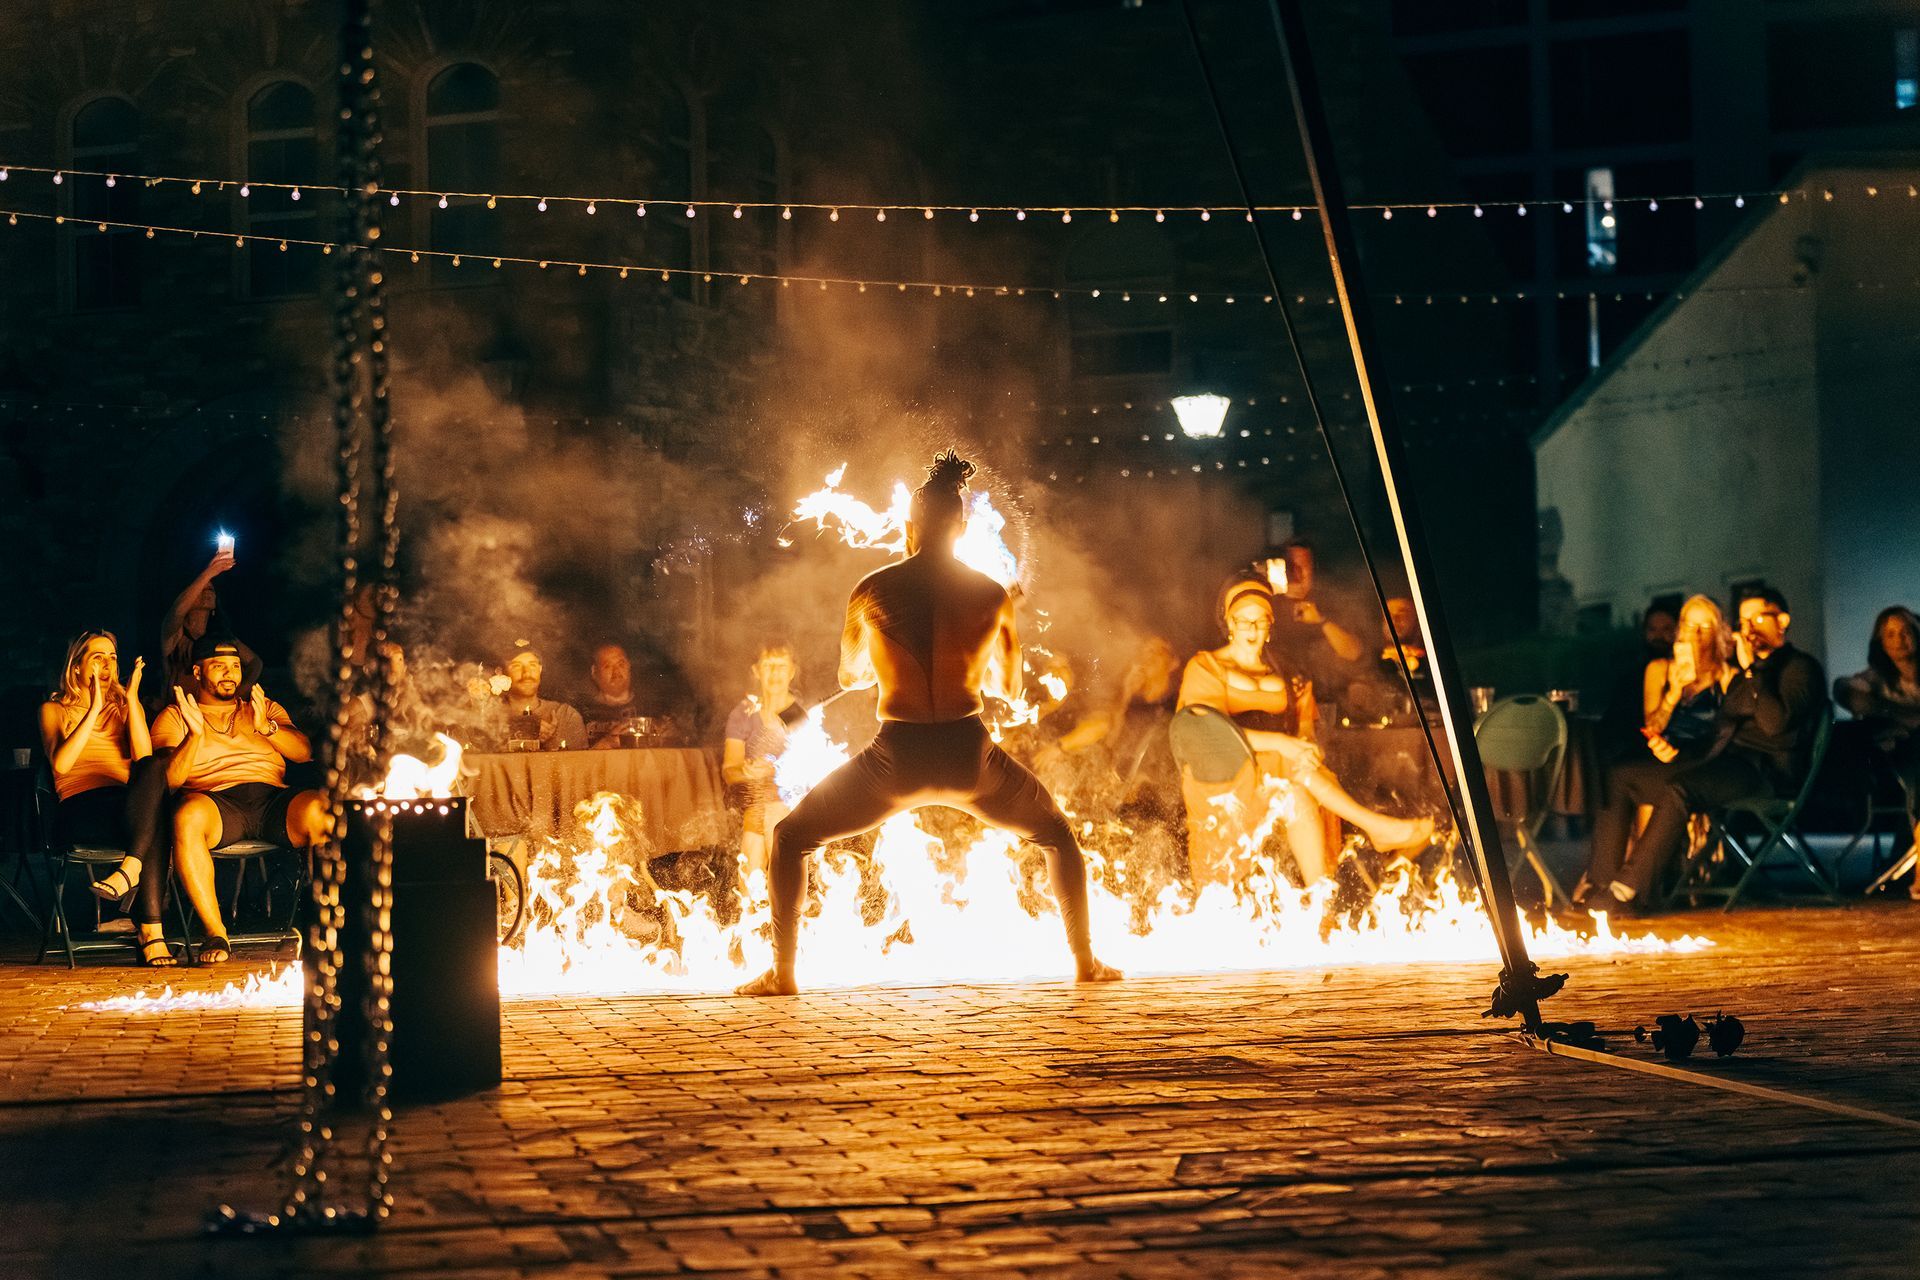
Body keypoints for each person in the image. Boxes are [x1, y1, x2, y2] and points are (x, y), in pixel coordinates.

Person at [736, 450, 1120, 996]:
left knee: (792, 837)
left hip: (897, 758)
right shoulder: (991, 595)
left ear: (908, 525)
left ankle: (784, 973)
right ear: (961, 527)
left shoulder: (872, 590)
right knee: (1057, 835)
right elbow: (1006, 690)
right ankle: (1085, 963)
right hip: (971, 758)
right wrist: (992, 628)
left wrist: (888, 659)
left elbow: (851, 673)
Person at [1581, 586, 1827, 912]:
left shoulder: (1799, 668)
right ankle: (1600, 885)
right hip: (1722, 762)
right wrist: (1678, 752)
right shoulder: (1747, 674)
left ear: (1781, 621)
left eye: (1758, 619)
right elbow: (1721, 728)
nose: (1749, 629)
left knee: (1680, 789)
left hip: (1765, 772)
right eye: (1744, 621)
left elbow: (1774, 725)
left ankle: (1627, 890)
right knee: (1620, 776)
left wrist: (1752, 670)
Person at [1177, 580, 1434, 889]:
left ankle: (1320, 905)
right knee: (1285, 766)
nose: (1252, 628)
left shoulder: (1284, 671)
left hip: (1275, 777)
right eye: (1244, 620)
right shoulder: (1206, 666)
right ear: (1230, 623)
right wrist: (1285, 745)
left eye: (1260, 620)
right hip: (1220, 775)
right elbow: (1208, 733)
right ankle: (1374, 825)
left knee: (1298, 793)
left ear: (1270, 626)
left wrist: (1307, 748)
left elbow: (1303, 727)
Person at [149, 636, 332, 964]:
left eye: (234, 667)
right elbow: (169, 781)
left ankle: (328, 924)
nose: (229, 674)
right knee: (186, 816)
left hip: (271, 798)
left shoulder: (264, 708)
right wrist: (194, 736)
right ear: (197, 671)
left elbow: (304, 753)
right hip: (215, 801)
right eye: (219, 666)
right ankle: (215, 932)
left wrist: (267, 728)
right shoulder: (175, 716)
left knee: (324, 812)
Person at [38, 631, 175, 966]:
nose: (108, 664)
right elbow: (61, 763)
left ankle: (130, 869)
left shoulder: (122, 707)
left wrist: (132, 702)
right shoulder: (54, 710)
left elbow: (145, 762)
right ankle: (152, 935)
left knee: (156, 767)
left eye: (113, 657)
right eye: (97, 656)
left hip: (126, 807)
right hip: (81, 807)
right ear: (75, 668)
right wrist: (94, 707)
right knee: (156, 820)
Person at [1834, 606, 1920, 893]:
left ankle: (1905, 860)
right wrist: (1895, 713)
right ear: (1880, 642)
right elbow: (1843, 690)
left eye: (1906, 631)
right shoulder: (1876, 680)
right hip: (1896, 759)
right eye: (1891, 634)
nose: (1900, 639)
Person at [723, 643, 801, 879]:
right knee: (760, 814)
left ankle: (781, 897)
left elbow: (809, 775)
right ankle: (752, 902)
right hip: (753, 804)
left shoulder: (801, 715)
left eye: (781, 666)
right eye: (768, 665)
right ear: (756, 671)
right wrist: (748, 773)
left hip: (792, 805)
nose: (775, 673)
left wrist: (776, 772)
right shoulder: (744, 714)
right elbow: (729, 770)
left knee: (773, 814)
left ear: (792, 672)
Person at [1640, 594, 1735, 763]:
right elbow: (1652, 728)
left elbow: (1728, 731)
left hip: (1704, 758)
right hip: (1664, 756)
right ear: (1681, 628)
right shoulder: (1659, 669)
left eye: (1705, 627)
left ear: (1716, 631)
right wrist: (1673, 693)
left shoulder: (1725, 674)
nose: (1697, 633)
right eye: (1690, 625)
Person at [1264, 539, 1364, 699]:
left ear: (1313, 569)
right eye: (1290, 566)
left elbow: (1353, 652)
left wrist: (1321, 621)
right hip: (1282, 697)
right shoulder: (1267, 605)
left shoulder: (1331, 602)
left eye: (1303, 565)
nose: (1297, 573)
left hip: (1329, 700)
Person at [160, 545, 262, 696]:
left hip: (215, 711)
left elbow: (255, 662)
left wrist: (240, 692)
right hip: (179, 712)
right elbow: (177, 611)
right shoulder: (176, 635)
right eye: (202, 588)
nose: (207, 589)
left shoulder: (222, 637)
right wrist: (209, 573)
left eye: (211, 589)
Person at [488, 648, 586, 751]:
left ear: (540, 669)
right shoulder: (488, 716)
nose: (527, 674)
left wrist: (551, 741)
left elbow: (584, 763)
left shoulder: (565, 715)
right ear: (501, 672)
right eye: (516, 666)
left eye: (532, 665)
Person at [579, 644, 643, 748]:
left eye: (621, 664)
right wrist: (605, 744)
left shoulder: (652, 709)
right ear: (594, 672)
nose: (616, 672)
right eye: (607, 666)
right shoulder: (580, 713)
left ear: (629, 666)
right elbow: (572, 759)